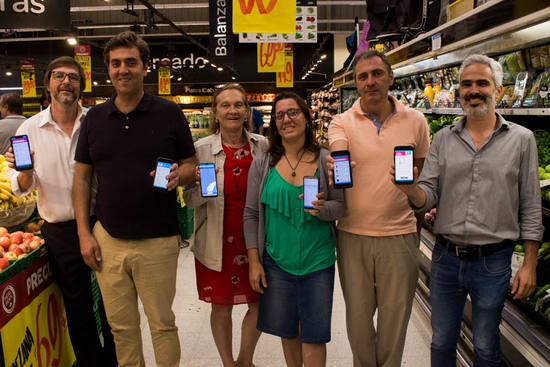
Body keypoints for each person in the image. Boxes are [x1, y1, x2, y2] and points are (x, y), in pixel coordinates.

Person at [393, 54, 543, 366]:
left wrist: (529, 263)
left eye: (482, 84)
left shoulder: (522, 140)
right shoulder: (444, 139)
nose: (473, 90)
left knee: (487, 347)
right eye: (466, 84)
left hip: (494, 260)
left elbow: (530, 204)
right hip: (446, 258)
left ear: (498, 91)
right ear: (460, 91)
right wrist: (410, 189)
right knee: (442, 341)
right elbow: (429, 195)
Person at [72, 31, 196, 367]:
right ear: (108, 70)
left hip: (158, 239)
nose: (122, 69)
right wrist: (85, 233)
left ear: (145, 67)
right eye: (115, 63)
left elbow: (191, 165)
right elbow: (82, 177)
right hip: (108, 239)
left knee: (161, 324)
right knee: (121, 328)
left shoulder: (169, 113)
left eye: (130, 62)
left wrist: (180, 175)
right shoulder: (94, 119)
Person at [6, 56, 117, 367]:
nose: (66, 82)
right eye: (59, 76)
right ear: (48, 84)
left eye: (73, 77)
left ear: (81, 85)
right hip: (60, 231)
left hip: (102, 223)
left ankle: (114, 361)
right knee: (77, 307)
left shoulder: (97, 122)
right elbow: (24, 186)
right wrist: (24, 171)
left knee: (113, 304)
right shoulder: (29, 128)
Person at [327, 49, 430, 367]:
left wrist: (412, 187)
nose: (370, 81)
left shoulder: (416, 121)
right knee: (358, 324)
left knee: (394, 323)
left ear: (390, 77)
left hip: (399, 236)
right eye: (362, 77)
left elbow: (423, 174)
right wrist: (336, 165)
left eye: (377, 74)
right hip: (352, 235)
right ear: (356, 83)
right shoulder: (340, 121)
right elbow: (337, 151)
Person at [244, 92, 345, 367]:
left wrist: (323, 210)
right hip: (276, 263)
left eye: (293, 112)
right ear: (274, 123)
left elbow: (341, 207)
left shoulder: (326, 160)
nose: (286, 119)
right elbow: (251, 214)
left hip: (317, 262)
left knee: (314, 337)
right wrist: (255, 262)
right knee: (288, 333)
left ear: (307, 116)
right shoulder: (263, 162)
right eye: (279, 115)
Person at [183, 84, 268, 367]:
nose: (232, 110)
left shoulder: (263, 146)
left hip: (256, 239)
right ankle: (227, 363)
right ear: (216, 113)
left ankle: (245, 360)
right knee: (222, 306)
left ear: (247, 111)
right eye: (225, 106)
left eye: (238, 105)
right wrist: (196, 185)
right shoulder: (201, 149)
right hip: (215, 238)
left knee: (260, 303)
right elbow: (192, 202)